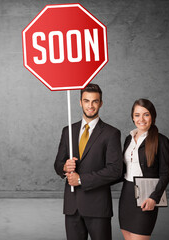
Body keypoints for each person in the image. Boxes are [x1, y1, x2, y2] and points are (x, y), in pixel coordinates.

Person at [54, 83, 123, 240]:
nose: (90, 106)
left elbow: (115, 170)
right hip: (72, 207)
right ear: (80, 102)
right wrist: (64, 167)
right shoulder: (68, 131)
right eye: (86, 101)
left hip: (98, 207)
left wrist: (80, 179)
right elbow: (57, 164)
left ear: (101, 103)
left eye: (95, 101)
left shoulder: (111, 133)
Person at [118, 99, 169, 240]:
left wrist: (154, 198)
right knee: (127, 235)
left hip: (147, 195)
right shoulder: (128, 139)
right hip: (127, 194)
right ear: (132, 117)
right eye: (137, 115)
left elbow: (165, 173)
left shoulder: (161, 141)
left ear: (152, 116)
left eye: (146, 114)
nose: (141, 119)